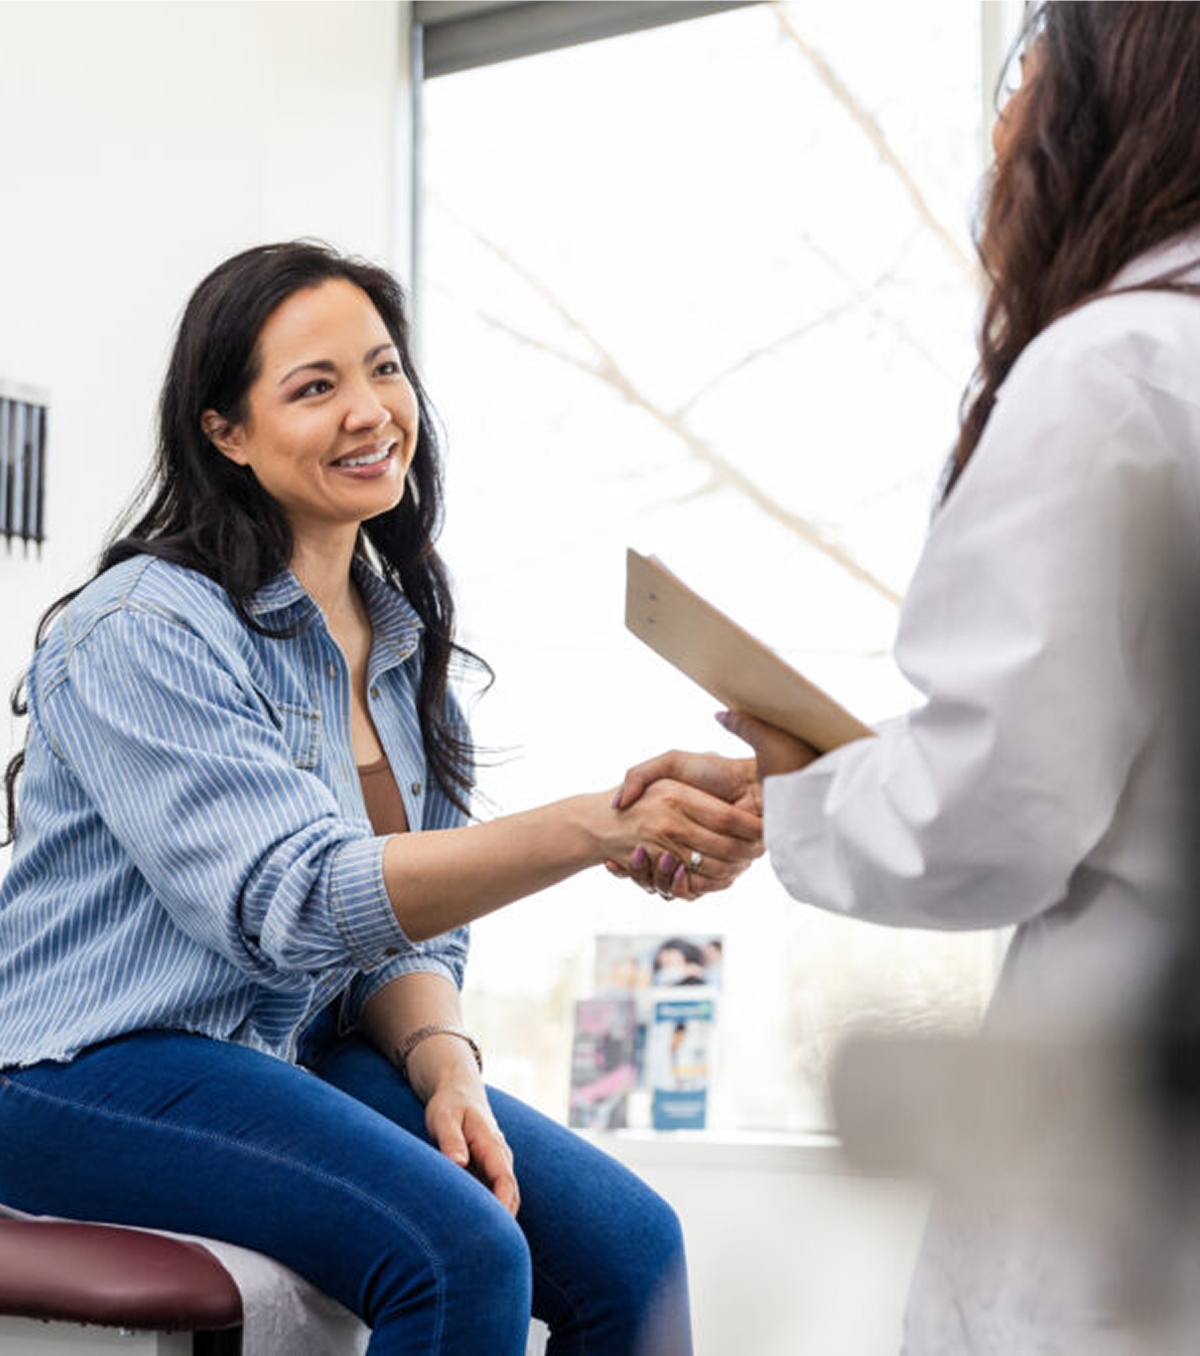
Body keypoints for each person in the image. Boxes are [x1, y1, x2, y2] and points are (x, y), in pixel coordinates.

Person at [0, 241, 765, 1356]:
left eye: (384, 369)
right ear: (226, 432)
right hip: (82, 1067)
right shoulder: (140, 631)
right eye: (315, 388)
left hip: (288, 1045)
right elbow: (300, 901)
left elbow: (403, 938)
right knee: (458, 1255)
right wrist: (598, 825)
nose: (371, 412)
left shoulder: (398, 639)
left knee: (632, 1250)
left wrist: (443, 1060)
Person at [613, 4, 1200, 1351]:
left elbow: (988, 816)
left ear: (1114, 108)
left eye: (1027, 79)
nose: (1004, 129)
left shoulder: (1114, 369)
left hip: (1125, 1150)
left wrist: (806, 786)